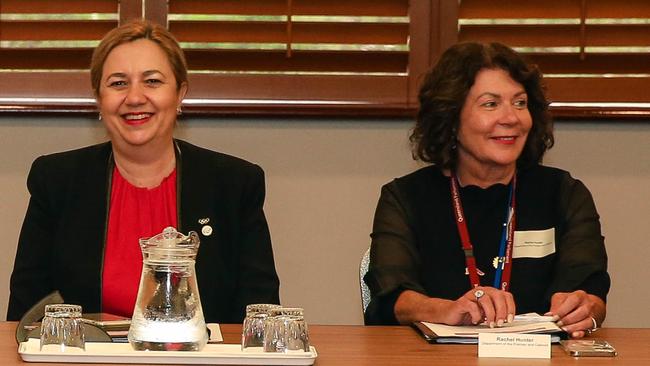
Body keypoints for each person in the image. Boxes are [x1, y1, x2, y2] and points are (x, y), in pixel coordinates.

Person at [7, 20, 280, 323]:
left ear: (179, 95)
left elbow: (260, 318)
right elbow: (26, 317)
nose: (135, 97)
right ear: (99, 99)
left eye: (152, 81)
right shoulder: (56, 181)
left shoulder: (234, 184)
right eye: (118, 83)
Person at [363, 42, 609, 338]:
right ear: (451, 118)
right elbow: (392, 295)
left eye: (520, 103)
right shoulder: (405, 198)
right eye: (491, 104)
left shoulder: (564, 194)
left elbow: (592, 290)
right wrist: (444, 310)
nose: (511, 118)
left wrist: (585, 309)